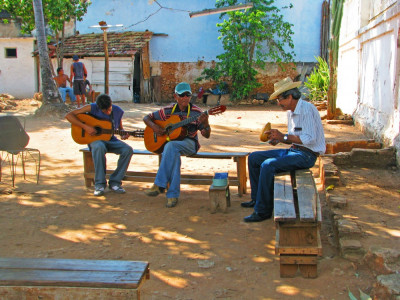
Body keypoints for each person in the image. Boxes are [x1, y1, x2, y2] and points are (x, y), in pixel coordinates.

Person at [242, 77, 326, 222]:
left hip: (307, 155)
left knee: (268, 165)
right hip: (295, 150)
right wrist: (279, 139)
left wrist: (284, 137)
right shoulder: (291, 112)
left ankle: (263, 211)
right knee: (254, 158)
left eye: (280, 99)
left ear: (290, 96)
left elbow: (309, 139)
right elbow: (293, 138)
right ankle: (257, 199)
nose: (278, 103)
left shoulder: (307, 109)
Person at [143, 82, 211, 208]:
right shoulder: (169, 110)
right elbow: (147, 118)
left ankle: (159, 185)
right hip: (172, 146)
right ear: (176, 96)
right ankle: (172, 195)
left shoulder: (196, 112)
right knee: (172, 151)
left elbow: (206, 135)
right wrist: (155, 127)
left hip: (190, 144)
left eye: (188, 95)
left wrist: (206, 124)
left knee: (171, 147)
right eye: (182, 95)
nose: (185, 97)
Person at [65, 94, 133, 196]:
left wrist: (123, 134)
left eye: (109, 109)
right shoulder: (91, 107)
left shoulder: (117, 111)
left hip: (111, 140)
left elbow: (120, 128)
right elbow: (69, 116)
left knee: (128, 150)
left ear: (111, 104)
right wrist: (85, 127)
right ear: (98, 106)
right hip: (95, 140)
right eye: (104, 111)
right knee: (99, 147)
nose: (108, 112)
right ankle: (100, 184)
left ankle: (115, 182)